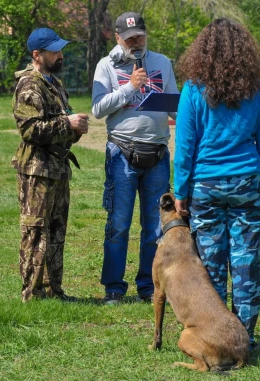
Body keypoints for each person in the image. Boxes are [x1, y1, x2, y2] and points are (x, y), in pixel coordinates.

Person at [173, 18, 260, 350]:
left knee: (211, 268)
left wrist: (180, 192)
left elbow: (185, 148)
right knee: (247, 266)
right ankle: (246, 338)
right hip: (248, 182)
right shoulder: (257, 90)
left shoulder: (192, 89)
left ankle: (218, 338)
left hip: (206, 185)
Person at [92, 12, 178, 305]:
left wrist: (184, 112)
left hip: (157, 151)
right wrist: (130, 87)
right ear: (117, 38)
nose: (136, 42)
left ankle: (148, 285)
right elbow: (98, 108)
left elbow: (174, 103)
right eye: (129, 39)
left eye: (140, 36)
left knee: (155, 227)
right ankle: (114, 287)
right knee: (118, 224)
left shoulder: (162, 63)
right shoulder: (106, 66)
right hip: (122, 153)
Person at [11, 27, 89, 303]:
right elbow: (30, 130)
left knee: (56, 231)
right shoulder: (29, 85)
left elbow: (59, 123)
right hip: (37, 170)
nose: (61, 55)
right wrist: (67, 124)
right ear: (37, 54)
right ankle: (32, 293)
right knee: (35, 231)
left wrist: (75, 128)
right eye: (54, 51)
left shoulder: (53, 83)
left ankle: (54, 290)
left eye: (60, 50)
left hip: (57, 168)